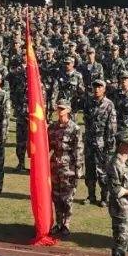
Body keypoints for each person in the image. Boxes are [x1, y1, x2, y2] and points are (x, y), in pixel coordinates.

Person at [48, 99, 82, 237]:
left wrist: (78, 170)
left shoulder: (75, 128)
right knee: (56, 197)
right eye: (58, 108)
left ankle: (66, 224)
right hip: (55, 166)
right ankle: (59, 223)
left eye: (62, 109)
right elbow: (47, 146)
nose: (60, 111)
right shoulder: (52, 127)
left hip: (69, 168)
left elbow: (79, 150)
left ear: (68, 110)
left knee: (67, 199)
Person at [82, 77, 117, 206]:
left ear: (104, 89)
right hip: (90, 142)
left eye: (99, 87)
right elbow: (86, 120)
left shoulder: (109, 104)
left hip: (103, 144)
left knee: (103, 171)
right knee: (90, 170)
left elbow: (112, 126)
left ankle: (104, 198)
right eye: (95, 87)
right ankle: (91, 196)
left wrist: (110, 144)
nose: (96, 89)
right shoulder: (88, 102)